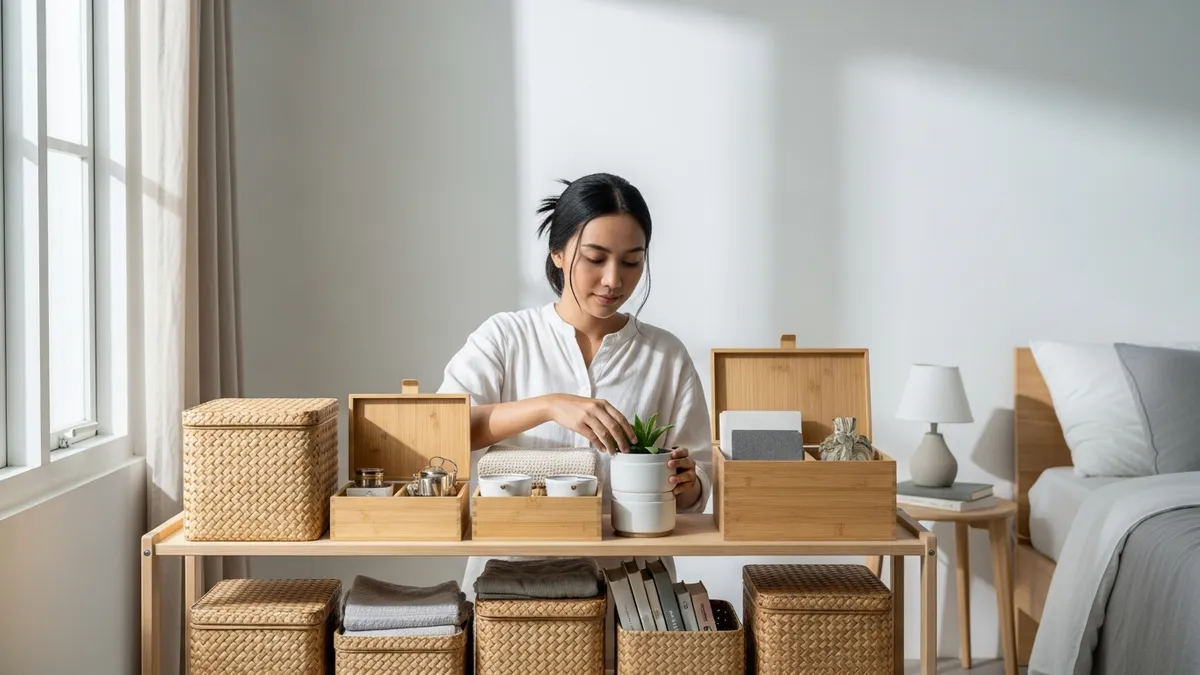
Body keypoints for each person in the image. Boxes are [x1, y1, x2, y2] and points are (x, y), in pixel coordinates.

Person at [436, 172, 713, 659]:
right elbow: (439, 440)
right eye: (595, 258)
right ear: (558, 253)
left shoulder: (666, 356)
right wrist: (547, 405)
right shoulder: (505, 337)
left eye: (632, 262)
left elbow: (702, 483)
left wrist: (687, 483)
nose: (614, 280)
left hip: (632, 598)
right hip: (512, 587)